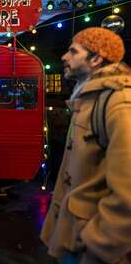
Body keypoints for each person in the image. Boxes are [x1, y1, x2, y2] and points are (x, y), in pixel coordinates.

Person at [40, 27, 131, 264]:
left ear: (96, 58)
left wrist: (99, 243)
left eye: (73, 51)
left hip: (90, 244)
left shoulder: (118, 102)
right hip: (75, 233)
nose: (64, 57)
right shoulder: (90, 98)